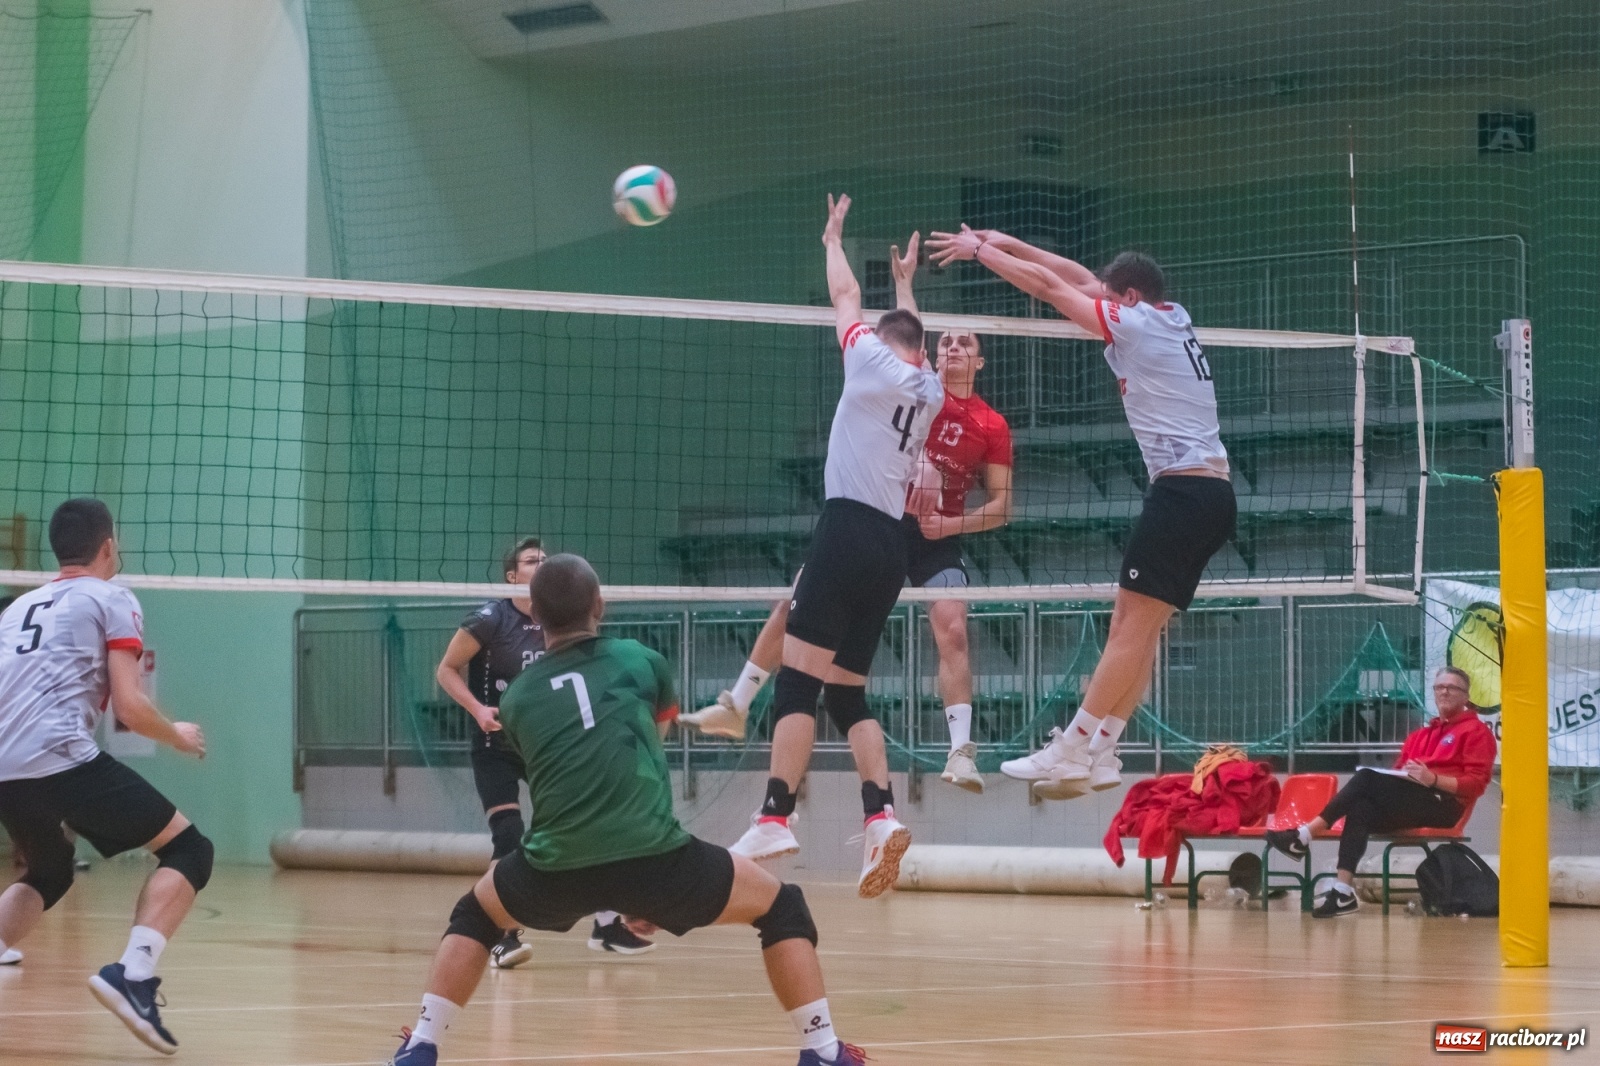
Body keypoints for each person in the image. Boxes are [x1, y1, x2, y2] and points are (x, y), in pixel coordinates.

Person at [384, 555, 867, 1066]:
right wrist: (652, 897)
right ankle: (822, 1050)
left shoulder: (519, 698)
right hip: (658, 859)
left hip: (553, 868)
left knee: (475, 915)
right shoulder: (643, 661)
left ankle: (422, 1044)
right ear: (600, 605)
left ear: (536, 618)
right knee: (781, 906)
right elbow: (647, 753)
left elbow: (559, 771)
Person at [681, 235, 1014, 794]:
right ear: (931, 349)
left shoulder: (981, 418)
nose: (953, 349)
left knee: (950, 627)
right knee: (797, 612)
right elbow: (908, 339)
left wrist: (946, 523)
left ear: (979, 360)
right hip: (881, 520)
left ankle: (960, 751)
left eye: (967, 343)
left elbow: (1003, 508)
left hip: (926, 534)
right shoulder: (917, 385)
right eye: (946, 340)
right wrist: (905, 284)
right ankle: (740, 703)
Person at [927, 229, 1236, 800]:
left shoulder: (1136, 323)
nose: (1102, 308)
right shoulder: (1172, 315)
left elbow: (1051, 287)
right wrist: (1007, 241)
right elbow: (1075, 275)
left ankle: (1071, 746)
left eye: (1111, 301)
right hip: (1210, 497)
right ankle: (1105, 751)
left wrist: (981, 254)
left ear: (1131, 300)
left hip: (1183, 497)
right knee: (1136, 632)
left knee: (1129, 630)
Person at [709, 197, 943, 897]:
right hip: (889, 550)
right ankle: (880, 818)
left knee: (798, 683)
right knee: (848, 695)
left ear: (880, 337)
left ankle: (775, 814)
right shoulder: (928, 389)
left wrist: (832, 238)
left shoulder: (869, 358)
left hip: (843, 531)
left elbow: (844, 294)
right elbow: (916, 340)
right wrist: (906, 286)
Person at [0, 498, 211, 1054]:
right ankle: (133, 975)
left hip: (5, 767)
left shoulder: (18, 607)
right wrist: (179, 737)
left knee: (50, 871)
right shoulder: (112, 597)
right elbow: (131, 709)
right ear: (108, 546)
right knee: (191, 850)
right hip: (58, 757)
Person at [436, 537, 651, 962]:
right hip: (495, 742)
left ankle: (607, 926)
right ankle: (502, 936)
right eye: (532, 561)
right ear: (512, 576)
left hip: (546, 744)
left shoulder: (562, 619)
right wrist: (478, 709)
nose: (542, 564)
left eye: (546, 560)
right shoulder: (489, 619)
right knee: (509, 835)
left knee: (592, 822)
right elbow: (446, 669)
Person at [1265, 666, 1495, 917]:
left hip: (1445, 805)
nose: (1445, 692)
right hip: (1413, 800)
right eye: (1440, 687)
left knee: (1365, 778)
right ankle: (1343, 892)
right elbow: (1397, 775)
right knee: (1361, 807)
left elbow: (1476, 784)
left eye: (1452, 688)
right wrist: (1403, 778)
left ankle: (1305, 834)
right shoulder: (1419, 736)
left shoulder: (1477, 732)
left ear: (1466, 696)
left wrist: (1433, 779)